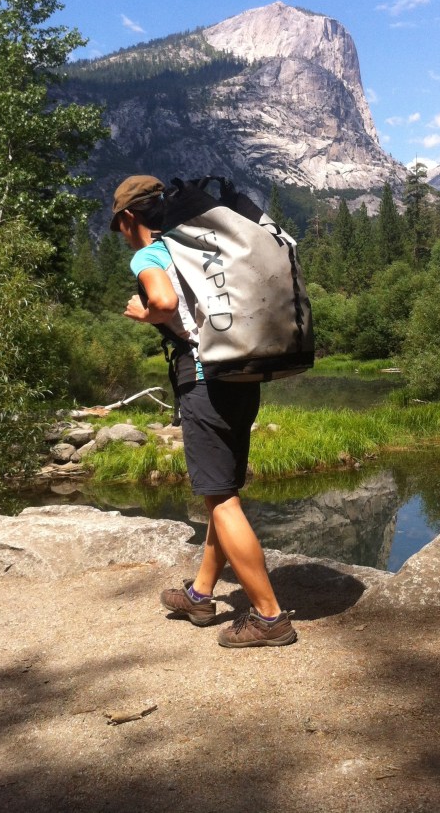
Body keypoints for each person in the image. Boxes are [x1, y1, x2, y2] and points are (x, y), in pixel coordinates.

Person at [110, 174, 297, 648]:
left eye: (119, 226)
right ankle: (200, 594)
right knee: (223, 492)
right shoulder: (201, 246)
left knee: (220, 499)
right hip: (240, 371)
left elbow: (164, 301)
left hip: (202, 379)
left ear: (129, 218)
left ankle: (270, 618)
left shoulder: (150, 254)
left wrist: (146, 313)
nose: (122, 235)